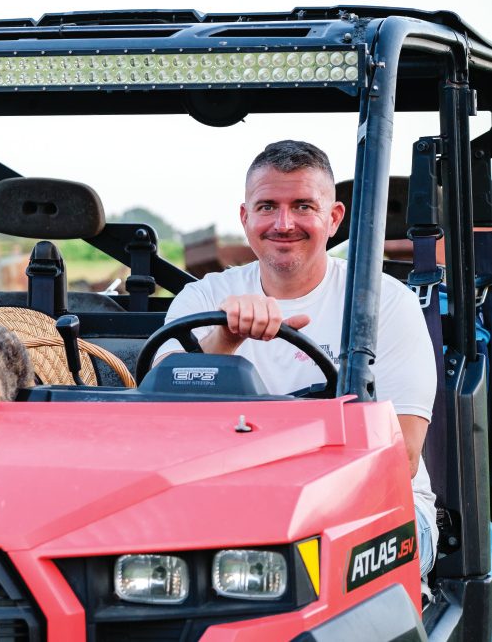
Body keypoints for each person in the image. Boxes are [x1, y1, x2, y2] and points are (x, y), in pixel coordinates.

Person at [154, 140, 438, 577]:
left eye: (303, 206)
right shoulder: (204, 299)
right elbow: (160, 418)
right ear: (245, 217)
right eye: (267, 206)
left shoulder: (385, 302)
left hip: (374, 507)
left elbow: (402, 459)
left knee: (301, 568)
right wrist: (225, 339)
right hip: (219, 503)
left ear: (334, 217)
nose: (283, 224)